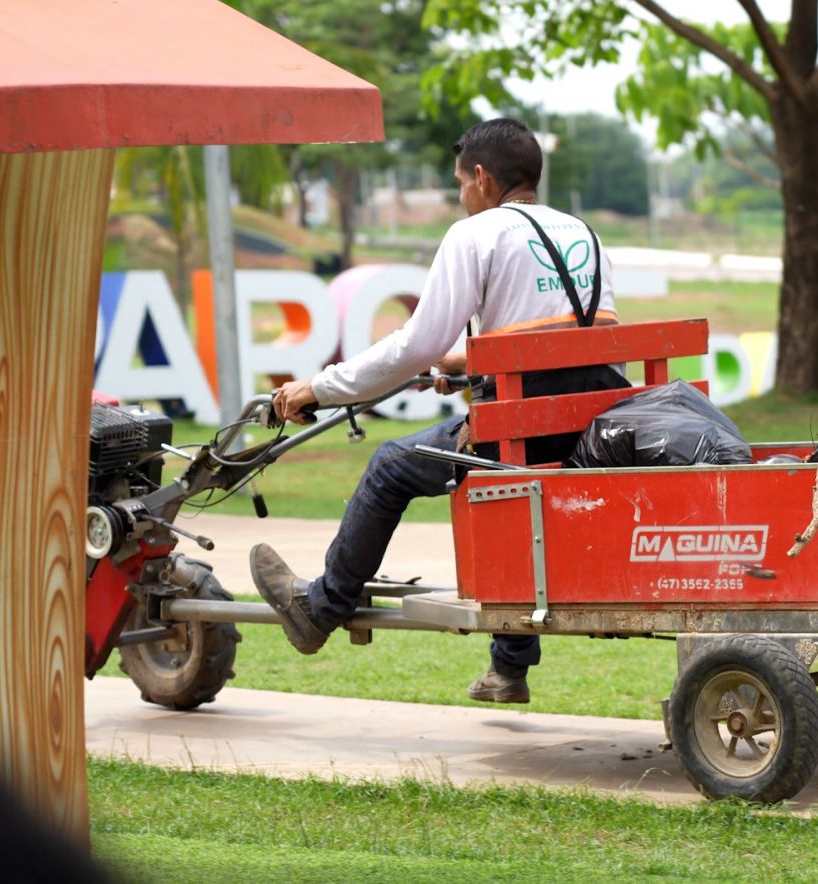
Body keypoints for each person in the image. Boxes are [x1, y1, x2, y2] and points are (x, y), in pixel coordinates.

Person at [252, 118, 628, 704]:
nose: (460, 196)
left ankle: (319, 608)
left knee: (389, 466)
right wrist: (469, 365)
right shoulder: (584, 233)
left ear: (481, 177)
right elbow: (561, 336)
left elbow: (412, 346)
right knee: (499, 473)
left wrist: (321, 388)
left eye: (459, 184)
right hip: (587, 426)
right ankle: (508, 670)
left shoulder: (475, 234)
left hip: (518, 436)